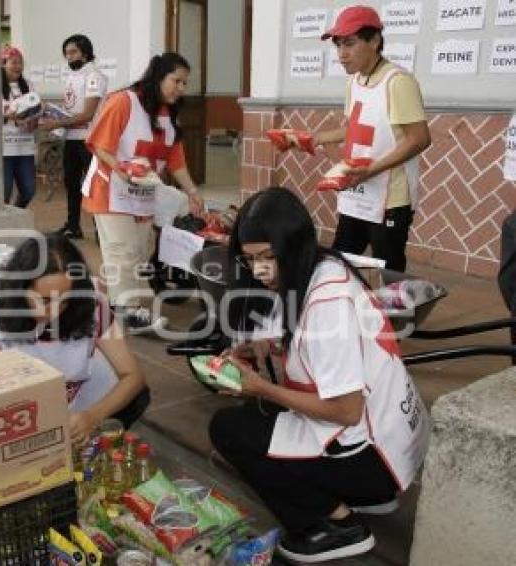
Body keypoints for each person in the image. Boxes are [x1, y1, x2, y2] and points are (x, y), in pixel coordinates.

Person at [208, 187, 430, 563]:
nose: (260, 270)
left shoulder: (328, 303)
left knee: (230, 429)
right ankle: (370, 497)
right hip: (395, 441)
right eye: (250, 260)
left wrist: (260, 388)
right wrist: (264, 345)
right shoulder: (323, 266)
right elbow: (306, 342)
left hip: (373, 455)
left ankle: (335, 526)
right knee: (268, 415)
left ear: (293, 245)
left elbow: (345, 411)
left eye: (267, 257)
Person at [0, 233, 150, 441]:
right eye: (44, 300)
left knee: (136, 397)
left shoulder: (90, 302)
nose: (54, 312)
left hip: (78, 397)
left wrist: (93, 416)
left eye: (65, 301)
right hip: (22, 404)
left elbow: (133, 376)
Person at [81, 52, 204, 333]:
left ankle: (120, 303)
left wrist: (192, 191)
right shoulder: (123, 102)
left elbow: (176, 159)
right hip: (110, 190)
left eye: (185, 83)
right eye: (177, 81)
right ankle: (128, 311)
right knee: (122, 252)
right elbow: (101, 145)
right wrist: (121, 168)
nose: (182, 88)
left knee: (140, 251)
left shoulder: (169, 114)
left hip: (144, 194)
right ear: (158, 77)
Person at [309, 5, 430, 272]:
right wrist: (318, 138)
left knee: (388, 270)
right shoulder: (354, 82)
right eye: (338, 45)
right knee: (339, 263)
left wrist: (370, 170)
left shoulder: (398, 82)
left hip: (390, 199)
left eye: (349, 44)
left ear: (374, 41)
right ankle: (345, 311)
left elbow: (419, 138)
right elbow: (358, 127)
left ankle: (398, 316)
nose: (342, 54)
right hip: (356, 193)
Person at [38, 34, 108, 239]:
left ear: (85, 53)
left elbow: (87, 114)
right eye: (66, 53)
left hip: (90, 139)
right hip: (70, 138)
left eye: (73, 52)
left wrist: (56, 123)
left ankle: (101, 232)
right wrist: (51, 112)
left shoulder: (94, 76)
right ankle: (72, 226)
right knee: (71, 183)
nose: (69, 57)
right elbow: (71, 107)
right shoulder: (71, 76)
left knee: (94, 186)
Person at [1, 45, 37, 208]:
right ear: (3, 63)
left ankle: (16, 214)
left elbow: (35, 109)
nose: (18, 66)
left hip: (24, 147)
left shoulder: (28, 85)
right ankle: (3, 224)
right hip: (3, 149)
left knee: (29, 190)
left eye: (20, 63)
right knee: (3, 193)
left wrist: (34, 118)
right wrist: (7, 115)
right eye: (13, 63)